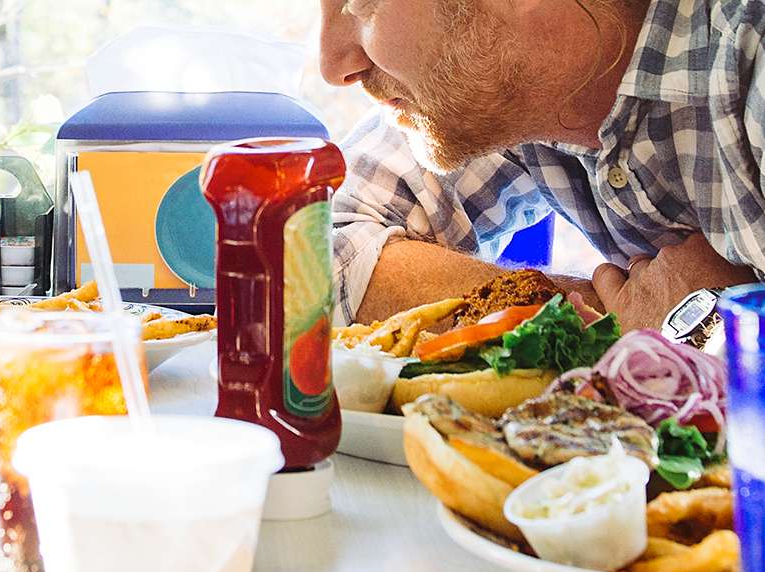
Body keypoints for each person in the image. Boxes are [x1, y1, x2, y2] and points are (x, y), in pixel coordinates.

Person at [321, 0, 762, 332]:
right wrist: (621, 321)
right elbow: (313, 252)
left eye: (361, 2)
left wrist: (712, 328)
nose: (332, 65)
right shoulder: (509, 79)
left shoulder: (752, 52)